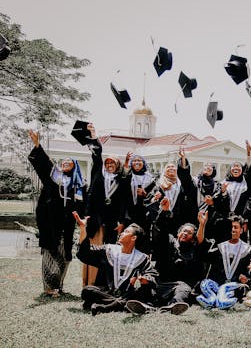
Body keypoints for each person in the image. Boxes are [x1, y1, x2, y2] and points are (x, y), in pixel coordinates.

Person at [28, 129, 86, 297]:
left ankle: (58, 286)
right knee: (49, 252)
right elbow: (45, 165)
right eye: (64, 162)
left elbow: (82, 205)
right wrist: (37, 145)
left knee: (65, 254)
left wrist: (83, 219)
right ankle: (48, 287)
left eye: (70, 162)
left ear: (75, 165)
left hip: (67, 225)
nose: (66, 163)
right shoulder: (54, 178)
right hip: (51, 222)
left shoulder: (79, 185)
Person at [134, 200, 211, 314]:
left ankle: (172, 307)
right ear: (178, 233)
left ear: (193, 238)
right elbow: (160, 232)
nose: (185, 233)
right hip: (160, 283)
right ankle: (146, 305)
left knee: (183, 290)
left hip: (179, 286)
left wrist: (202, 224)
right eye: (184, 231)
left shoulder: (194, 249)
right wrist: (164, 212)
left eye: (189, 233)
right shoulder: (169, 242)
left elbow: (201, 243)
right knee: (146, 284)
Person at [73, 212, 158, 315]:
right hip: (109, 294)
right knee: (87, 290)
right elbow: (85, 253)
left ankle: (106, 307)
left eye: (126, 232)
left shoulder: (141, 259)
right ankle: (122, 305)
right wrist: (83, 228)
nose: (122, 233)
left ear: (133, 238)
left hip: (129, 293)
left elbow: (152, 275)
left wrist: (145, 279)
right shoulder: (109, 250)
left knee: (141, 294)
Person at [83, 124, 127, 286]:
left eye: (112, 164)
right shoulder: (98, 175)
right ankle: (90, 282)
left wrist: (122, 221)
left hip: (111, 221)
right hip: (95, 218)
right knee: (93, 249)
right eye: (107, 164)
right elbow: (96, 155)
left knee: (109, 250)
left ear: (117, 166)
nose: (109, 166)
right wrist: (94, 135)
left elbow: (123, 203)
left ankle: (103, 283)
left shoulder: (120, 181)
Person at [146, 149, 198, 235]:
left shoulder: (181, 183)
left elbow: (185, 174)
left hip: (178, 218)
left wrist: (183, 159)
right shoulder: (158, 183)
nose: (171, 168)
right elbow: (149, 198)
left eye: (173, 167)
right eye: (168, 167)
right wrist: (154, 199)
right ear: (164, 170)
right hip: (161, 217)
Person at [203, 215, 251, 299]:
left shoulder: (247, 250)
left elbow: (249, 271)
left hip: (236, 286)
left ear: (241, 230)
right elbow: (206, 260)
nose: (233, 230)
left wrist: (246, 278)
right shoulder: (218, 246)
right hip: (217, 284)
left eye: (236, 227)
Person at [121, 152, 156, 253]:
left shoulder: (151, 178)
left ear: (144, 163)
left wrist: (146, 195)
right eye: (134, 161)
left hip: (144, 213)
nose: (137, 162)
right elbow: (123, 189)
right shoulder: (128, 176)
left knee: (142, 238)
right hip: (130, 212)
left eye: (139, 160)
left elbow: (154, 197)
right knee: (129, 236)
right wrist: (126, 161)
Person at [194, 162, 230, 244]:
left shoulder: (218, 186)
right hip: (194, 217)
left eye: (211, 167)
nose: (208, 167)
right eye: (206, 166)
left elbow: (223, 205)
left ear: (213, 171)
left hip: (210, 220)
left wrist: (213, 203)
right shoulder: (195, 182)